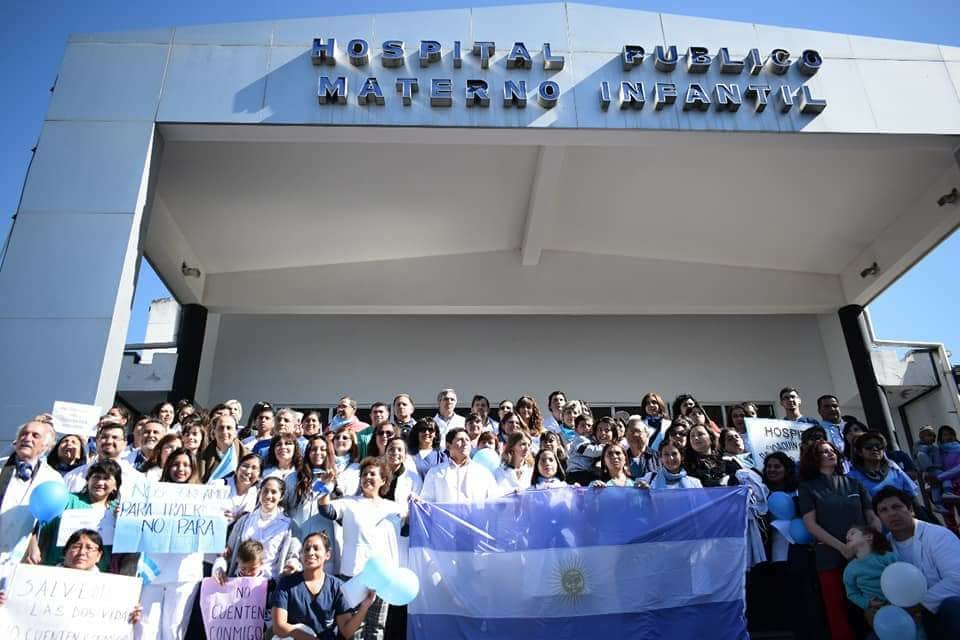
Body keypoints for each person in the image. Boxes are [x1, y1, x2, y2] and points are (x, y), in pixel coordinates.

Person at [798, 440, 881, 640]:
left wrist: (871, 542)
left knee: (873, 604)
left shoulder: (854, 482)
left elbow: (872, 517)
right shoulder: (807, 487)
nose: (829, 454)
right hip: (829, 557)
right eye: (823, 452)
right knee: (837, 611)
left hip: (863, 557)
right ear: (813, 459)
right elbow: (811, 524)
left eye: (831, 450)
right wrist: (842, 548)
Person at [319, 457, 404, 640]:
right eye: (364, 474)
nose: (367, 477)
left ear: (383, 480)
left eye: (373, 474)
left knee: (376, 629)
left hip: (383, 576)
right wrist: (326, 487)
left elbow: (412, 525)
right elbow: (326, 509)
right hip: (353, 573)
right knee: (353, 629)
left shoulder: (394, 508)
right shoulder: (348, 503)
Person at [0, 529, 143, 625]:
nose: (82, 552)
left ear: (99, 556)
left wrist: (130, 617)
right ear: (65, 551)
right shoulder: (38, 581)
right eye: (76, 546)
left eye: (89, 548)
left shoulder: (113, 591)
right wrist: (5, 603)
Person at [874, 486, 960, 640]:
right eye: (884, 510)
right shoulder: (883, 549)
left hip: (941, 611)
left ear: (910, 509)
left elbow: (957, 578)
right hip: (906, 618)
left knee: (954, 606)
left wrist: (920, 606)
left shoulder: (938, 535)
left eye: (896, 507)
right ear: (879, 518)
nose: (892, 513)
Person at [138, 448, 205, 640]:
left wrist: (218, 519)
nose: (180, 469)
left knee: (174, 629)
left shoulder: (204, 498)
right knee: (145, 626)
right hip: (152, 571)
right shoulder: (151, 493)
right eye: (175, 464)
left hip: (184, 572)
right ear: (167, 467)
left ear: (193, 469)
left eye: (186, 465)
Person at [271, 531, 376, 640]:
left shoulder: (337, 587)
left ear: (327, 555)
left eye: (316, 548)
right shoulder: (287, 583)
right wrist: (308, 638)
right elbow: (279, 627)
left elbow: (346, 631)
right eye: (306, 549)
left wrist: (364, 607)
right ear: (301, 555)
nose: (311, 552)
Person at [33, 459, 121, 571]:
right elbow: (41, 527)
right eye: (96, 477)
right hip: (56, 568)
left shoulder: (119, 509)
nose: (100, 482)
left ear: (116, 486)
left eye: (106, 478)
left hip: (99, 576)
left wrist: (123, 522)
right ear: (88, 480)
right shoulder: (66, 500)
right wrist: (33, 547)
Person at [0, 419, 64, 563]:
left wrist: (33, 543)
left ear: (45, 445)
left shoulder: (53, 479)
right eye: (24, 434)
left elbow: (43, 519)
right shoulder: (1, 465)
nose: (27, 438)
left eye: (35, 435)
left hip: (18, 556)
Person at [214, 477, 300, 582]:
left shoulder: (289, 525)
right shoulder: (244, 521)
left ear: (281, 496)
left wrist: (292, 564)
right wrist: (219, 567)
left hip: (269, 584)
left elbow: (294, 555)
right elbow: (228, 552)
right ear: (260, 493)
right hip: (240, 582)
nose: (268, 496)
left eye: (274, 492)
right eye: (265, 491)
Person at [841, 525, 899, 632]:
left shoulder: (888, 557)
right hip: (875, 611)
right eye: (846, 537)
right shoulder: (850, 570)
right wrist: (867, 603)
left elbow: (903, 576)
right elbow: (851, 593)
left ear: (868, 537)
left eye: (852, 533)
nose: (847, 536)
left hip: (899, 605)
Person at [421, 427, 496, 503]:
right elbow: (427, 502)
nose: (465, 443)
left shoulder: (483, 473)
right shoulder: (435, 472)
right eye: (460, 440)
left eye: (467, 440)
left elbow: (493, 501)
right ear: (448, 445)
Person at [65, 421, 143, 492]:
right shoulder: (72, 476)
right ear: (97, 441)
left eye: (115, 437)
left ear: (125, 444)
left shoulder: (136, 479)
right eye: (104, 437)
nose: (109, 441)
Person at [847, 431, 921, 502]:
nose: (875, 449)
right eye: (868, 446)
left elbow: (913, 499)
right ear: (859, 452)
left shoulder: (896, 471)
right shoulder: (852, 478)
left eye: (878, 446)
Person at [199, 412, 249, 483]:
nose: (224, 432)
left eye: (229, 428)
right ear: (214, 432)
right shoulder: (201, 458)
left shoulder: (248, 457)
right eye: (221, 428)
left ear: (235, 433)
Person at [222, 452, 262, 521]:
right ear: (237, 469)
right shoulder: (219, 485)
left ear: (259, 476)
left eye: (254, 468)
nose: (248, 471)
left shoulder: (257, 494)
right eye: (245, 466)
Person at [330, 428, 361, 497]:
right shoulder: (325, 463)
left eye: (345, 438)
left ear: (352, 443)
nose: (340, 440)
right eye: (337, 437)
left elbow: (352, 492)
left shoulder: (356, 468)